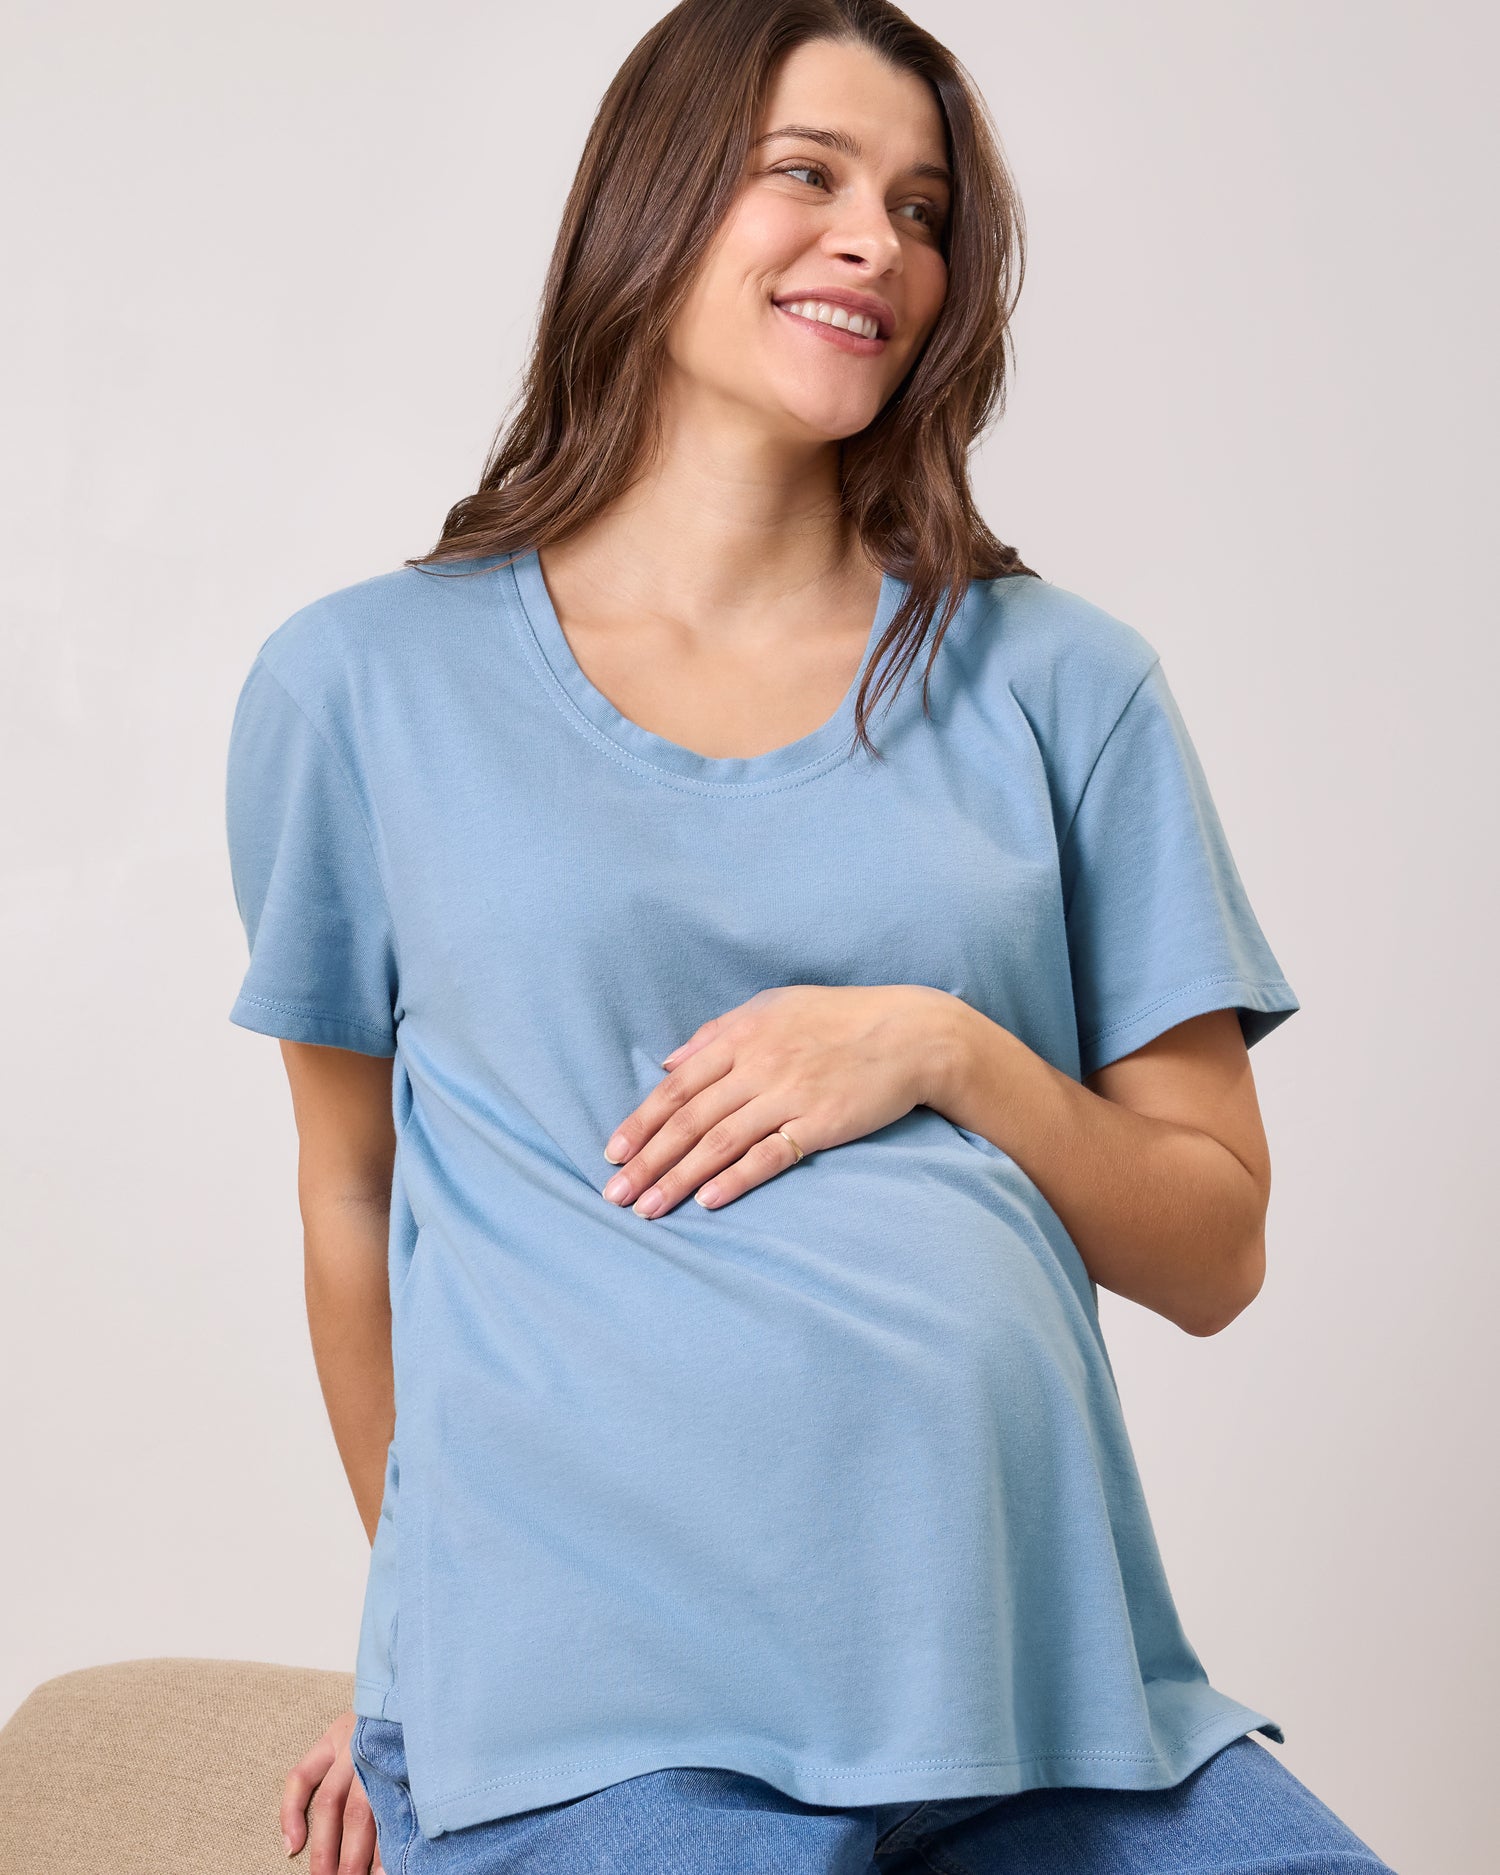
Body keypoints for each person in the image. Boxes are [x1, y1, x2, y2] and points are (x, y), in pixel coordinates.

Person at [224, 3, 1397, 1871]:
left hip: (1055, 1705)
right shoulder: (366, 687)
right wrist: (414, 1665)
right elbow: (351, 1198)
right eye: (809, 176)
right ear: (658, 201)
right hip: (607, 1711)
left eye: (924, 210)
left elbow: (1218, 1246)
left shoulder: (1064, 686)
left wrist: (948, 1047)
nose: (879, 242)